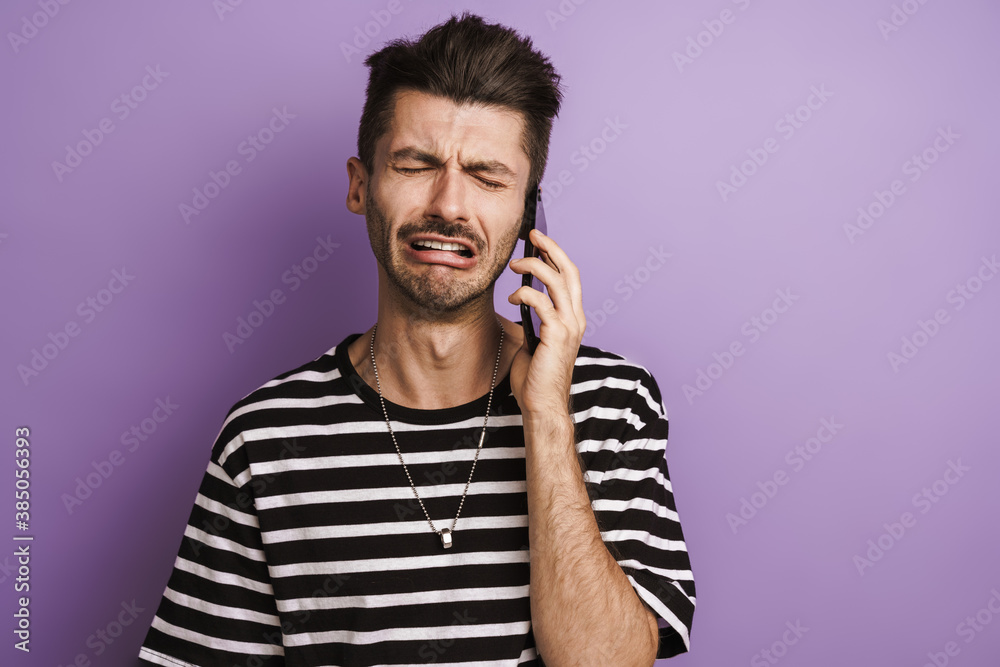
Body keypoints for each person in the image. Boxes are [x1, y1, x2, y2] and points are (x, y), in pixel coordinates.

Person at [138, 11, 694, 667]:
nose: (449, 205)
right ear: (360, 186)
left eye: (488, 177)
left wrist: (546, 415)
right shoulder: (264, 437)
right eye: (415, 164)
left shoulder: (611, 404)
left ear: (528, 212)